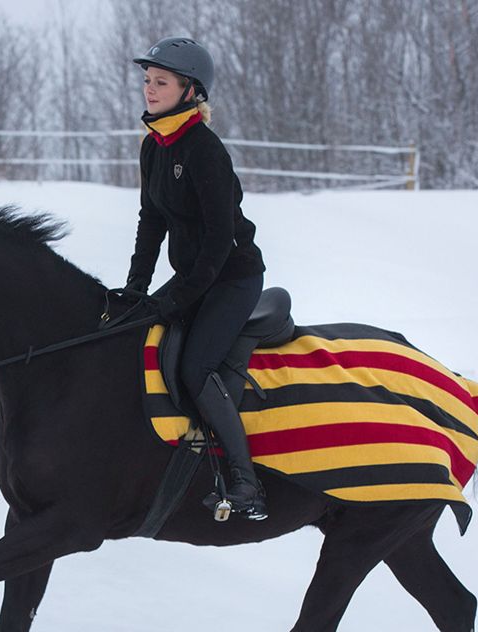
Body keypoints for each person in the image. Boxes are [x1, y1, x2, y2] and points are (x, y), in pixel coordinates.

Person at [125, 36, 267, 520]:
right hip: (195, 275)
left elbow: (219, 242)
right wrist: (135, 289)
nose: (149, 89)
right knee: (133, 330)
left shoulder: (205, 150)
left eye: (160, 82)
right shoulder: (154, 146)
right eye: (147, 80)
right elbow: (151, 222)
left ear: (190, 91)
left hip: (231, 276)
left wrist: (179, 296)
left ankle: (247, 482)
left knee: (193, 367)